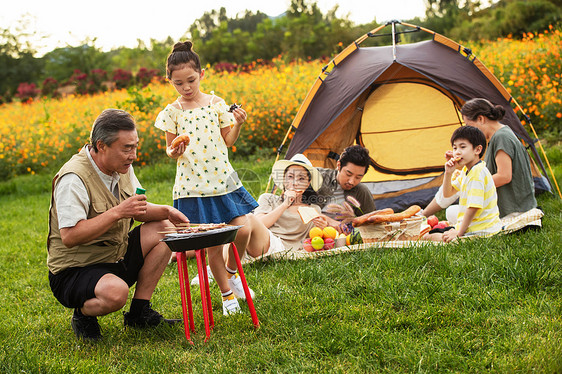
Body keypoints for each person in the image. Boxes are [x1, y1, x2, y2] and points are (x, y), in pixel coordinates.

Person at [47, 109, 190, 342]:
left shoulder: (122, 166)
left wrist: (166, 211)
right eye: (127, 148)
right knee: (117, 293)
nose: (133, 155)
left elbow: (136, 208)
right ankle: (82, 315)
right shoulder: (73, 178)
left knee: (164, 227)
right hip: (74, 270)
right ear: (101, 146)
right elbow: (70, 236)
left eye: (135, 146)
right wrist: (117, 213)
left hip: (114, 256)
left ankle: (139, 313)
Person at [154, 41, 261, 316]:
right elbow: (169, 149)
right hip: (194, 186)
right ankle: (227, 297)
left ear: (202, 74)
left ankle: (231, 273)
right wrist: (174, 150)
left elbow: (228, 141)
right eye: (178, 83)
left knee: (243, 229)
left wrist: (237, 123)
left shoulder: (216, 104)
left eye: (190, 80)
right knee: (213, 243)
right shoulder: (172, 112)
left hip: (223, 180)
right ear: (171, 82)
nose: (186, 87)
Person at [422, 98, 537, 221]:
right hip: (515, 205)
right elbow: (481, 171)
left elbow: (504, 176)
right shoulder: (499, 135)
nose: (468, 130)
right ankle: (422, 215)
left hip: (513, 210)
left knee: (452, 211)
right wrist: (460, 163)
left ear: (481, 119)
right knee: (459, 180)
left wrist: (470, 184)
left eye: (468, 125)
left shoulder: (501, 137)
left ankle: (421, 216)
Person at [423, 126, 502, 242]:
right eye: (455, 148)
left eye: (462, 147)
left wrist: (458, 233)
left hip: (482, 230)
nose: (457, 152)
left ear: (477, 150)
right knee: (437, 229)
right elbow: (447, 194)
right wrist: (448, 173)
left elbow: (473, 207)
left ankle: (457, 232)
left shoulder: (477, 173)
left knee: (429, 237)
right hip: (476, 225)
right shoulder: (466, 170)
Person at [254, 153, 325, 252]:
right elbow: (258, 225)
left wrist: (321, 228)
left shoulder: (313, 210)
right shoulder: (267, 199)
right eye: (290, 177)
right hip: (266, 243)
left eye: (301, 179)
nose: (295, 183)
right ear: (284, 179)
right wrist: (285, 204)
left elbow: (312, 241)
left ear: (308, 184)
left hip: (290, 251)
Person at [316, 145, 376, 231]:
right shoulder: (316, 176)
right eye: (348, 174)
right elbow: (297, 207)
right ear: (339, 165)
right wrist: (328, 220)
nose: (351, 181)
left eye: (358, 177)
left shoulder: (362, 192)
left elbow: (372, 223)